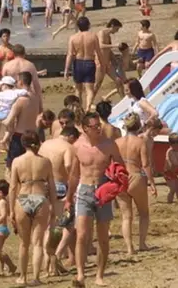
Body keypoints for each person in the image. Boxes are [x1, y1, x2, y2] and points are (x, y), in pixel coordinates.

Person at [65, 113, 124, 287]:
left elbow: (121, 167)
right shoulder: (77, 146)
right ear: (84, 129)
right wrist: (69, 198)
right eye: (94, 126)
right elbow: (74, 175)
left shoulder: (109, 145)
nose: (98, 129)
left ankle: (99, 275)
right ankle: (81, 275)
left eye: (99, 125)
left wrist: (116, 184)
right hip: (84, 190)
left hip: (103, 190)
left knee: (103, 236)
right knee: (82, 235)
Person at [8, 132, 57, 286]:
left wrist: (11, 210)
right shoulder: (45, 162)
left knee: (24, 243)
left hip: (23, 199)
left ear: (23, 144)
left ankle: (22, 277)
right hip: (40, 198)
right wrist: (54, 206)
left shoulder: (17, 161)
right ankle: (36, 277)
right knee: (37, 243)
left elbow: (12, 187)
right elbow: (52, 186)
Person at [39, 124, 79, 274]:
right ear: (71, 137)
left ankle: (45, 259)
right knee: (68, 223)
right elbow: (68, 165)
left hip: (44, 186)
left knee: (49, 225)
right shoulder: (68, 147)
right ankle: (57, 255)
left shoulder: (45, 144)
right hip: (61, 185)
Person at [116, 114, 157, 256]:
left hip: (121, 177)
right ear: (138, 125)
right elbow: (145, 164)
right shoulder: (140, 142)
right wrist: (152, 183)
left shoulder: (117, 142)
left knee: (126, 216)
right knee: (144, 213)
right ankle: (142, 243)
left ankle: (129, 248)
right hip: (135, 176)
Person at [65, 17, 102, 111]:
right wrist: (102, 64)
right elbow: (98, 52)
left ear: (78, 26)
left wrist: (66, 69)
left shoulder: (73, 38)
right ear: (88, 25)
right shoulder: (93, 36)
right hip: (89, 62)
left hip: (78, 63)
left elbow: (70, 54)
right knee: (89, 90)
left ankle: (78, 110)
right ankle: (88, 108)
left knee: (78, 89)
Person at [94, 19, 124, 98]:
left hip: (107, 62)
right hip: (100, 62)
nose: (116, 31)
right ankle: (90, 102)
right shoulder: (102, 33)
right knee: (97, 84)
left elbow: (108, 50)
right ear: (112, 26)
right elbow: (101, 46)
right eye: (117, 29)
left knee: (118, 80)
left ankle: (123, 100)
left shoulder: (108, 36)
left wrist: (115, 60)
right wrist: (115, 45)